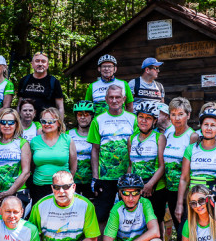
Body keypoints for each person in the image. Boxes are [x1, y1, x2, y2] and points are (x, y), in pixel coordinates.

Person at [88, 83, 136, 230]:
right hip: (105, 177)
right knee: (101, 215)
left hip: (127, 176)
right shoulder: (98, 120)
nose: (114, 100)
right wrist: (95, 177)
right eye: (111, 97)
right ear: (106, 99)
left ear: (124, 99)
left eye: (118, 97)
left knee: (128, 215)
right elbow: (95, 150)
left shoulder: (133, 119)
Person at [175, 109, 216, 225]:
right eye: (206, 124)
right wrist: (179, 204)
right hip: (194, 201)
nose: (209, 128)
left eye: (213, 125)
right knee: (186, 236)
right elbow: (184, 178)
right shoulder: (191, 149)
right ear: (200, 126)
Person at [161, 97, 197, 241]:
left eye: (180, 114)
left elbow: (192, 167)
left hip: (185, 191)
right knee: (177, 228)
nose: (176, 118)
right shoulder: (168, 133)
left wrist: (184, 200)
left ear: (188, 115)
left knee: (185, 231)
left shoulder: (192, 136)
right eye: (173, 114)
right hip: (169, 189)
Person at [29, 106, 77, 204]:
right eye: (44, 121)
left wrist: (66, 183)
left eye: (51, 121)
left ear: (58, 122)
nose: (47, 124)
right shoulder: (34, 141)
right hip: (39, 187)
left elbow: (73, 165)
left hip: (63, 188)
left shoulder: (67, 140)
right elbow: (31, 166)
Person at [128, 101, 167, 218]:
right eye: (141, 117)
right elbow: (130, 165)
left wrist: (150, 185)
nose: (143, 121)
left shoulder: (159, 138)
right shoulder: (131, 139)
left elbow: (162, 166)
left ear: (154, 121)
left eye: (148, 118)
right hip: (136, 187)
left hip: (155, 187)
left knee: (157, 220)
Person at [0, 108, 32, 211]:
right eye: (3, 122)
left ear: (16, 124)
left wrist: (10, 192)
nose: (7, 125)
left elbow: (26, 172)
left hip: (18, 192)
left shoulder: (22, 143)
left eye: (11, 122)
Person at [17, 52, 65, 118]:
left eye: (43, 61)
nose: (40, 64)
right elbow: (19, 105)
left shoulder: (54, 82)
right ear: (32, 64)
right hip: (27, 123)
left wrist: (60, 125)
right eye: (37, 61)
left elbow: (60, 107)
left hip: (47, 123)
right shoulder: (24, 80)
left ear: (47, 65)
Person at [69, 100, 95, 197]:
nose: (83, 117)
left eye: (87, 114)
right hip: (73, 179)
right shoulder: (68, 135)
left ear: (92, 116)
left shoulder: (96, 135)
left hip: (90, 180)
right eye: (80, 114)